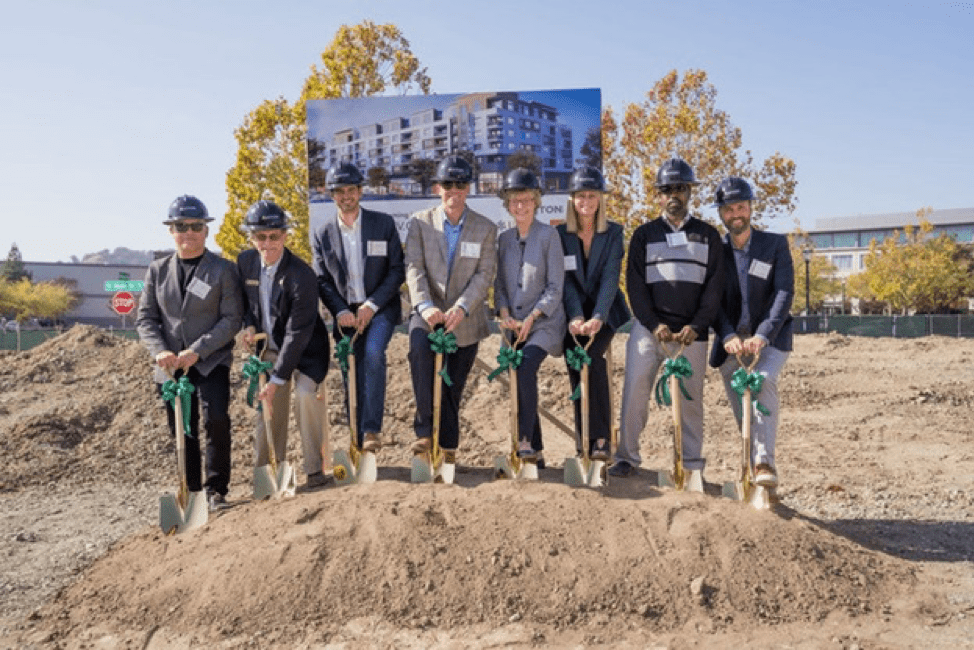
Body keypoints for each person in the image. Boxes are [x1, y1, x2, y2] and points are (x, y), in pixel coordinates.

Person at [610, 158, 723, 492]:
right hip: (650, 331)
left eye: (681, 188)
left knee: (690, 400)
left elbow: (714, 288)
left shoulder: (708, 236)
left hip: (692, 336)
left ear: (690, 193)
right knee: (635, 391)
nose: (674, 195)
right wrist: (653, 323)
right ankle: (627, 457)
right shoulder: (644, 235)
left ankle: (690, 465)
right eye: (667, 189)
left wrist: (697, 326)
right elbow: (635, 285)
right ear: (657, 195)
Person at [136, 195, 243, 511]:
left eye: (196, 226)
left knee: (217, 420)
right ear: (172, 231)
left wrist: (197, 351)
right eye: (181, 226)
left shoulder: (223, 270)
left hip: (211, 361)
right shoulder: (157, 271)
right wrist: (159, 351)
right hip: (170, 367)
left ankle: (215, 489)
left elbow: (232, 318)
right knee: (182, 428)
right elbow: (146, 318)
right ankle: (192, 490)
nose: (189, 232)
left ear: (206, 230)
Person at [405, 155, 497, 464]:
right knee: (420, 354)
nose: (453, 192)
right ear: (437, 188)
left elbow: (484, 274)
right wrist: (425, 307)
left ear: (468, 188)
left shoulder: (485, 228)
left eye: (459, 185)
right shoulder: (419, 222)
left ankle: (447, 447)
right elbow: (414, 267)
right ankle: (424, 434)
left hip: (465, 320)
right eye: (448, 185)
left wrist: (462, 307)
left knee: (452, 387)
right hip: (427, 313)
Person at [237, 200, 333, 490]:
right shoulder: (245, 263)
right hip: (269, 347)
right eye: (260, 237)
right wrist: (247, 324)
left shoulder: (301, 275)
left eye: (274, 236)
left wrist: (277, 378)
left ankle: (315, 469)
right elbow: (241, 302)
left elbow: (298, 332)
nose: (267, 243)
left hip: (306, 350)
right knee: (269, 405)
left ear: (285, 236)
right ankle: (267, 472)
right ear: (251, 238)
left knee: (304, 395)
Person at [312, 162, 405, 454]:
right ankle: (356, 431)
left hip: (380, 307)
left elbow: (396, 271)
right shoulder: (322, 233)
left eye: (351, 189)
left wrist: (371, 305)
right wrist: (341, 311)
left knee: (373, 354)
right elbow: (322, 280)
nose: (346, 196)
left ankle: (371, 430)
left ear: (361, 191)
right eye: (339, 191)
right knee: (349, 364)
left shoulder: (383, 224)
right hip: (344, 312)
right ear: (332, 195)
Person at [709, 177, 794, 489]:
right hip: (731, 344)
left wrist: (762, 335)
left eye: (741, 207)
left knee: (764, 381)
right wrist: (728, 334)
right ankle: (751, 465)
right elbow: (712, 299)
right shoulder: (714, 251)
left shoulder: (774, 245)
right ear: (721, 214)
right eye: (729, 209)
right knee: (742, 407)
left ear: (751, 207)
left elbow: (784, 293)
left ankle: (763, 462)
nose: (736, 214)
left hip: (769, 339)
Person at [556, 167, 631, 461]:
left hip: (606, 309)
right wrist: (575, 316)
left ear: (599, 199)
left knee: (592, 359)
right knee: (574, 362)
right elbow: (565, 280)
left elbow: (611, 277)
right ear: (572, 200)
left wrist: (598, 316)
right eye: (580, 196)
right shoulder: (560, 234)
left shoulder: (613, 233)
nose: (586, 201)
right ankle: (582, 441)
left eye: (592, 195)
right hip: (573, 312)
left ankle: (601, 438)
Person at [494, 168, 566, 461]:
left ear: (536, 201)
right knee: (518, 375)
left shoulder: (550, 235)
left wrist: (532, 318)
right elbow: (499, 285)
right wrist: (505, 314)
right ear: (508, 205)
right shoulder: (503, 239)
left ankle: (524, 439)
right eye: (514, 201)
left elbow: (555, 286)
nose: (520, 206)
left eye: (526, 200)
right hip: (513, 324)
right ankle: (535, 453)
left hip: (544, 323)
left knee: (525, 366)